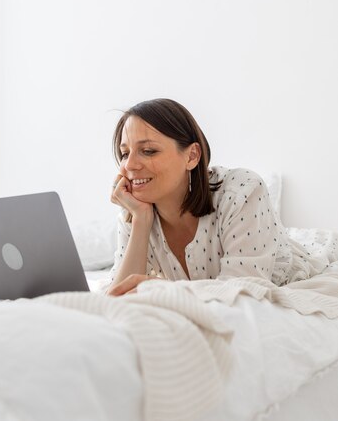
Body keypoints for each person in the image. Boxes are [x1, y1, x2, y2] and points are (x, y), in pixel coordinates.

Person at [105, 98, 329, 296]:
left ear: (192, 156)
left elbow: (243, 290)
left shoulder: (242, 191)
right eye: (125, 153)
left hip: (292, 271)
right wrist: (141, 221)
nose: (130, 165)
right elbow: (116, 299)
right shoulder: (135, 212)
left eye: (149, 151)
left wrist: (166, 290)